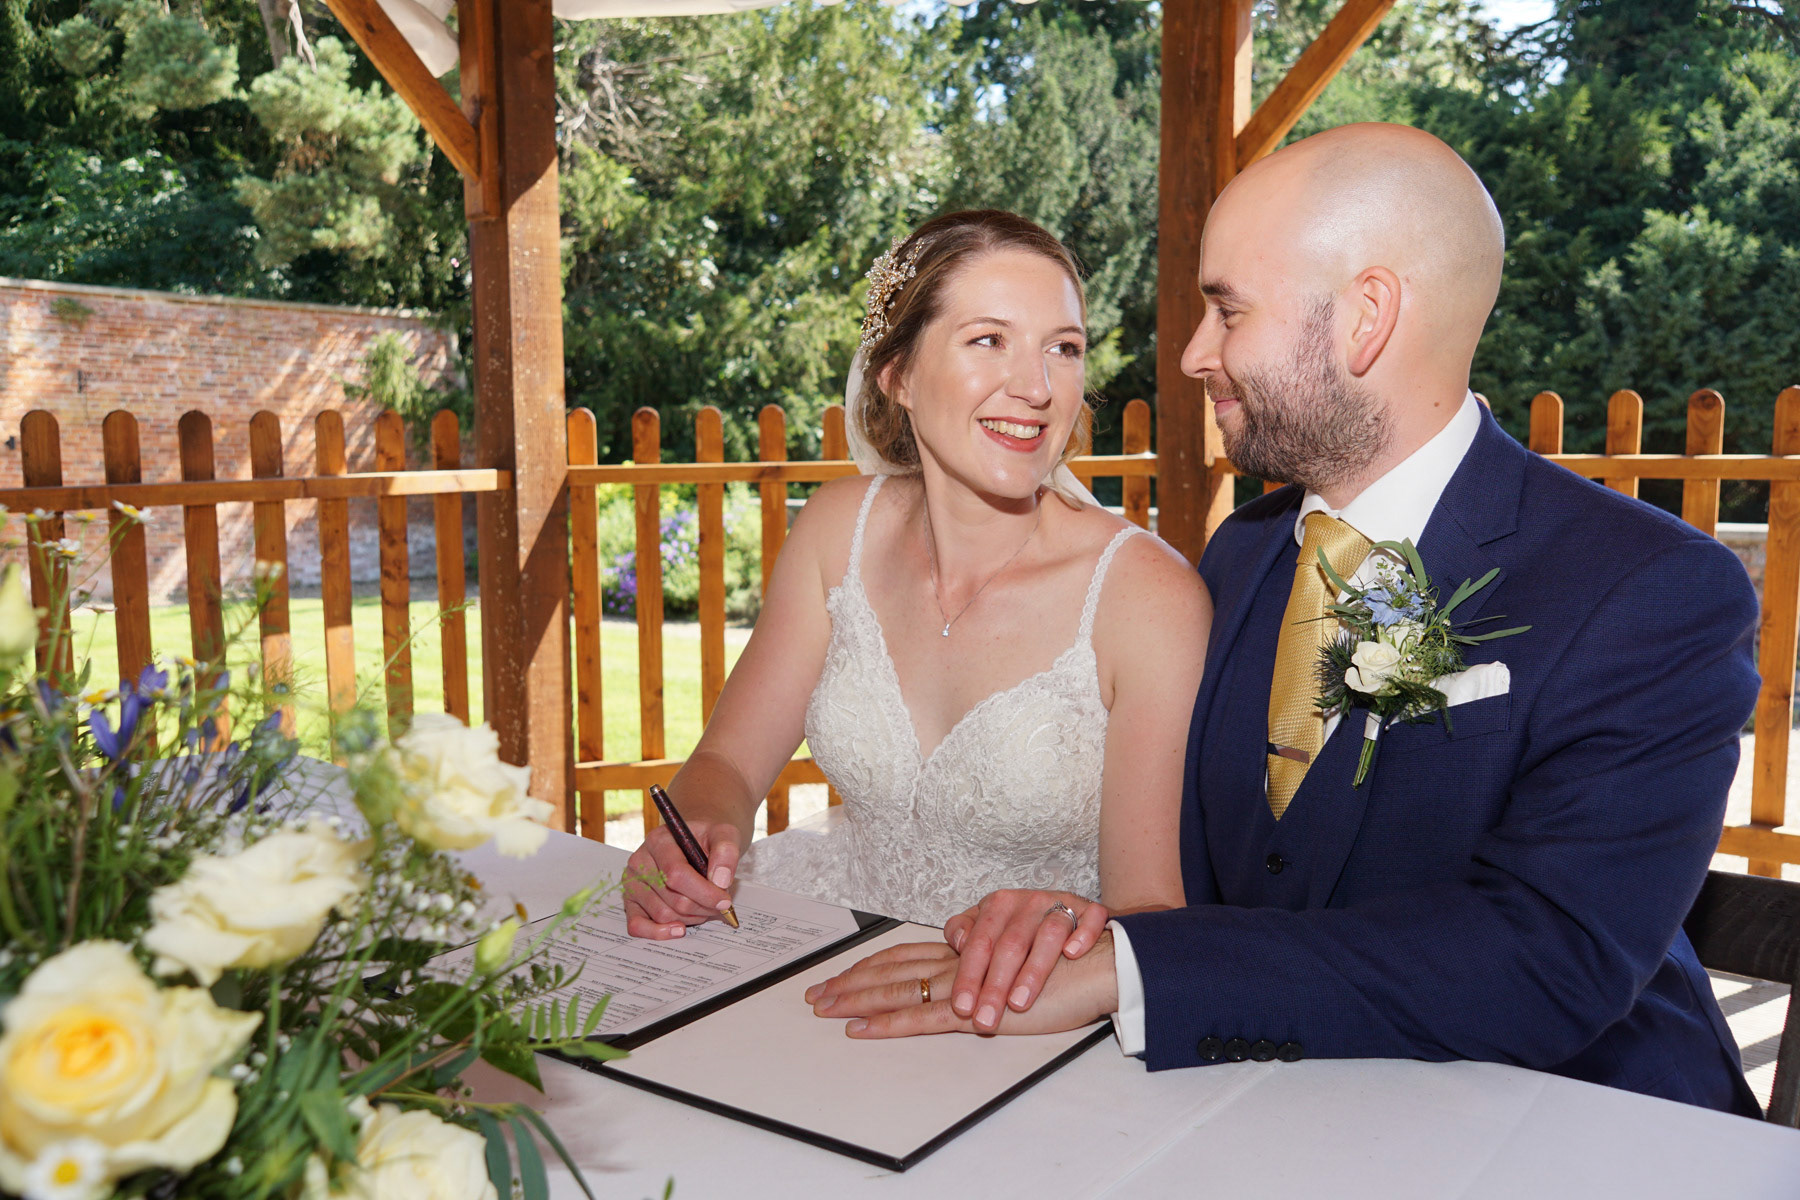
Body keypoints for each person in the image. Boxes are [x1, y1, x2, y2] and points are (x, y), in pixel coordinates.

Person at [806, 125, 1764, 1118]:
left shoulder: (1652, 591)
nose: (1193, 354)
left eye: (1227, 310)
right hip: (1276, 1111)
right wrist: (1071, 920)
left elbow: (1549, 959)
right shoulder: (1243, 556)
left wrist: (1135, 968)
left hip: (1584, 1126)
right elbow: (1205, 866)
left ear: (1365, 318)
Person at [621, 210, 1210, 950]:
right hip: (829, 936)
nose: (1037, 387)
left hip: (1029, 993)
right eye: (988, 340)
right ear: (897, 374)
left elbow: (1152, 918)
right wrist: (703, 828)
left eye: (1063, 348)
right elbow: (727, 762)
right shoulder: (837, 533)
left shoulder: (1145, 598)